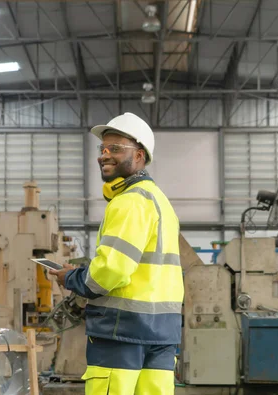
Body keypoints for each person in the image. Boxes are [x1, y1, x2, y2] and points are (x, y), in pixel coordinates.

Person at [50, 112, 184, 395]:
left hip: (121, 332)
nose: (105, 155)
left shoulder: (129, 202)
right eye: (103, 148)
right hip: (162, 333)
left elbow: (111, 271)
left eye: (116, 148)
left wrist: (71, 277)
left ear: (140, 155)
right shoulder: (160, 201)